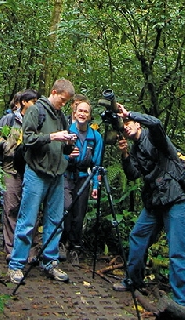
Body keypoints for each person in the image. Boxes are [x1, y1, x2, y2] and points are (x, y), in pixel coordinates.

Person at [112, 103, 185, 309]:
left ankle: (184, 301)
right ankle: (133, 280)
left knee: (177, 250)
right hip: (155, 201)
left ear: (138, 124)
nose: (126, 127)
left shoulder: (153, 137)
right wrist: (124, 155)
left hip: (175, 198)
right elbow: (133, 175)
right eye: (123, 126)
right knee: (138, 236)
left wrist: (129, 114)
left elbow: (156, 123)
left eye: (129, 124)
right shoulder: (135, 148)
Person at [7, 79, 76, 284]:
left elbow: (64, 148)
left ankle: (50, 261)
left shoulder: (61, 116)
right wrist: (53, 136)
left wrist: (69, 144)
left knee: (55, 221)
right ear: (54, 92)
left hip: (57, 174)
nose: (63, 105)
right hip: (36, 172)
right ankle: (16, 265)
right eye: (62, 100)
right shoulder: (36, 111)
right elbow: (27, 140)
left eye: (66, 102)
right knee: (27, 219)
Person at [0, 89, 39, 261]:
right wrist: (6, 145)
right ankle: (11, 250)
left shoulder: (37, 121)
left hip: (30, 170)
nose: (36, 105)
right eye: (33, 101)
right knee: (11, 209)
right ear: (23, 102)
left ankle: (30, 251)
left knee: (31, 210)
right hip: (11, 169)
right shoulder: (9, 120)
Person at [61, 100, 103, 254]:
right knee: (66, 208)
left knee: (79, 213)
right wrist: (68, 156)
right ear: (75, 112)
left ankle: (75, 245)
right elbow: (58, 155)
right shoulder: (66, 131)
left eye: (86, 111)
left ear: (90, 115)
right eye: (80, 111)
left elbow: (96, 164)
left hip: (84, 176)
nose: (82, 114)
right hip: (66, 175)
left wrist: (96, 186)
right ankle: (62, 241)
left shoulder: (95, 137)